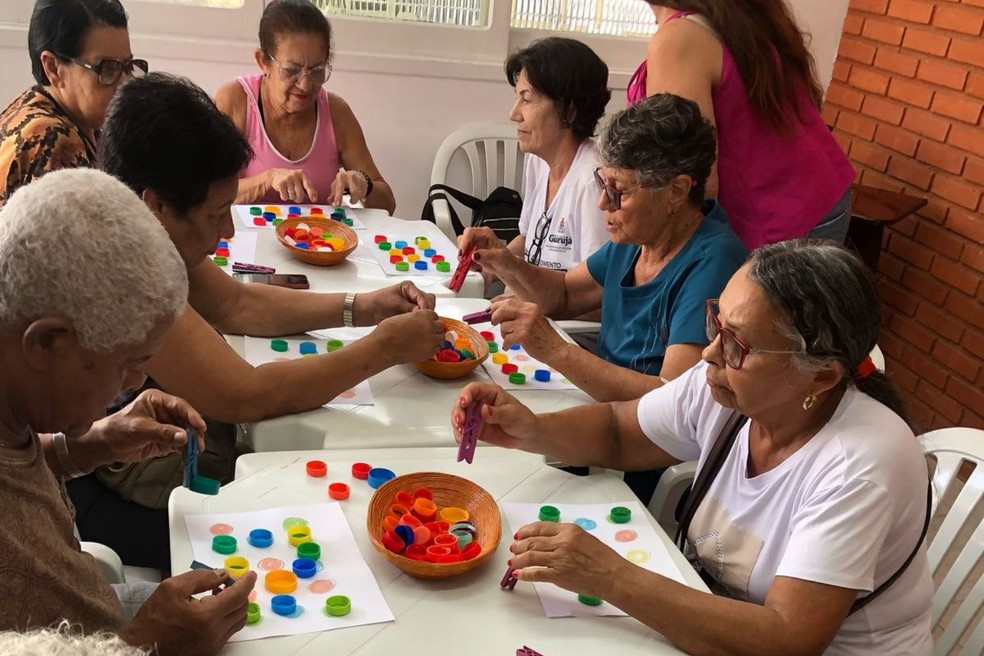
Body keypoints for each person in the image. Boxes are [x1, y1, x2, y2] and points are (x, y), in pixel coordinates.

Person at [453, 240, 933, 655]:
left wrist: (611, 577)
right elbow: (620, 430)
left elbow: (789, 639)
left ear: (822, 375)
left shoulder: (861, 465)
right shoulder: (728, 388)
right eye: (715, 323)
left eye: (737, 345)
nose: (709, 353)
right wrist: (531, 428)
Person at [64, 72, 443, 570]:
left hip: (98, 455)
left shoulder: (139, 225)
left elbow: (236, 305)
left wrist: (362, 307)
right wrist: (382, 349)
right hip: (84, 492)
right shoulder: (122, 270)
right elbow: (248, 395)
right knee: (292, 550)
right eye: (218, 212)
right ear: (155, 205)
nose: (226, 232)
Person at [0, 168, 255, 654]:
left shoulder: (14, 397)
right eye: (129, 365)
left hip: (90, 608)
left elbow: (15, 466)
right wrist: (141, 643)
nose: (136, 384)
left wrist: (89, 444)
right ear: (48, 342)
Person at [471, 94, 747, 404]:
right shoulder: (638, 238)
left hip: (646, 433)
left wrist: (555, 349)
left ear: (676, 191)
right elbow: (564, 294)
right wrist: (506, 262)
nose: (603, 202)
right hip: (604, 407)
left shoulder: (713, 263)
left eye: (619, 191)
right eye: (604, 184)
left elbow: (673, 400)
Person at [626, 1, 855, 248]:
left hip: (781, 219)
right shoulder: (733, 15)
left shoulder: (681, 38)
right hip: (817, 193)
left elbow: (693, 183)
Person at [215, 0, 396, 213]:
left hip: (317, 242)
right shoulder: (236, 100)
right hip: (247, 242)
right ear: (263, 62)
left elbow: (388, 204)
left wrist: (364, 184)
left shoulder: (337, 113)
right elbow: (207, 195)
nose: (305, 84)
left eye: (317, 70)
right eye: (291, 70)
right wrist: (267, 179)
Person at [459, 37, 611, 278]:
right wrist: (493, 263)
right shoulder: (539, 162)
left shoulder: (593, 185)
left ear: (569, 110)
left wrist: (525, 301)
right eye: (516, 97)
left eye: (527, 99)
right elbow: (528, 242)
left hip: (563, 316)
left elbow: (599, 293)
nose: (513, 114)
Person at [0, 0, 147, 206]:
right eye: (107, 68)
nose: (124, 82)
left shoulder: (38, 105)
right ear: (53, 68)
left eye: (127, 66)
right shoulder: (52, 141)